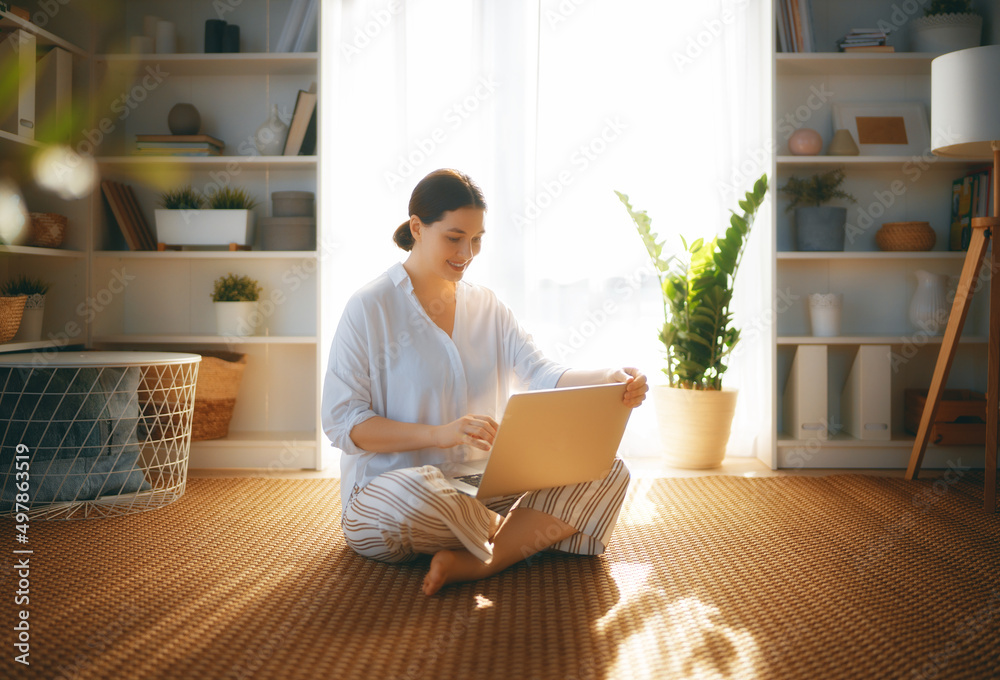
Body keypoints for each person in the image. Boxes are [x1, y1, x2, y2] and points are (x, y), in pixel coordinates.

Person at [322, 169, 648, 596]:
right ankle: (519, 537)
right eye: (454, 238)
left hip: (482, 489)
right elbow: (345, 423)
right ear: (418, 228)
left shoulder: (488, 306)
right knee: (420, 494)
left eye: (476, 240)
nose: (467, 253)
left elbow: (542, 374)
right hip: (392, 492)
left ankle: (483, 560)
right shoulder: (369, 307)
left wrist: (610, 378)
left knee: (604, 467)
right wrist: (440, 435)